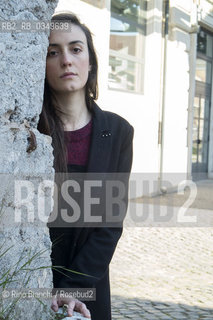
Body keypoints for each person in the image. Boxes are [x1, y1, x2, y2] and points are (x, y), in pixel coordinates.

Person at [37, 12, 134, 320]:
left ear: (90, 61)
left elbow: (109, 224)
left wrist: (74, 288)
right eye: (53, 52)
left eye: (76, 49)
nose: (66, 60)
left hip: (87, 286)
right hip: (33, 279)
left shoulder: (118, 132)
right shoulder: (27, 132)